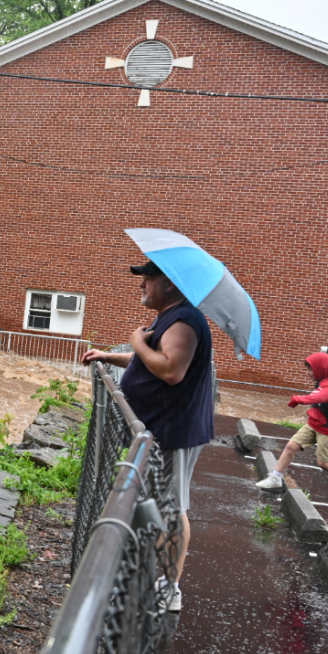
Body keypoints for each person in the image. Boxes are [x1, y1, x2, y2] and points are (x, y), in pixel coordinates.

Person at [81, 260, 213, 613]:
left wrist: (138, 341)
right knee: (158, 502)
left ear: (169, 283)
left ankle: (169, 587)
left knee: (172, 507)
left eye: (147, 279)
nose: (142, 285)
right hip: (161, 429)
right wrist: (110, 354)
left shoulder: (184, 321)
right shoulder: (172, 317)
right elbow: (149, 362)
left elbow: (170, 369)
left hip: (174, 432)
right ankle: (146, 568)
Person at [256, 352, 328, 505]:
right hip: (315, 424)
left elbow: (322, 396)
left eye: (311, 370)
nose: (308, 373)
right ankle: (275, 478)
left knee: (323, 463)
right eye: (307, 370)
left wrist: (300, 399)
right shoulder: (324, 381)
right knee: (291, 446)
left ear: (322, 369)